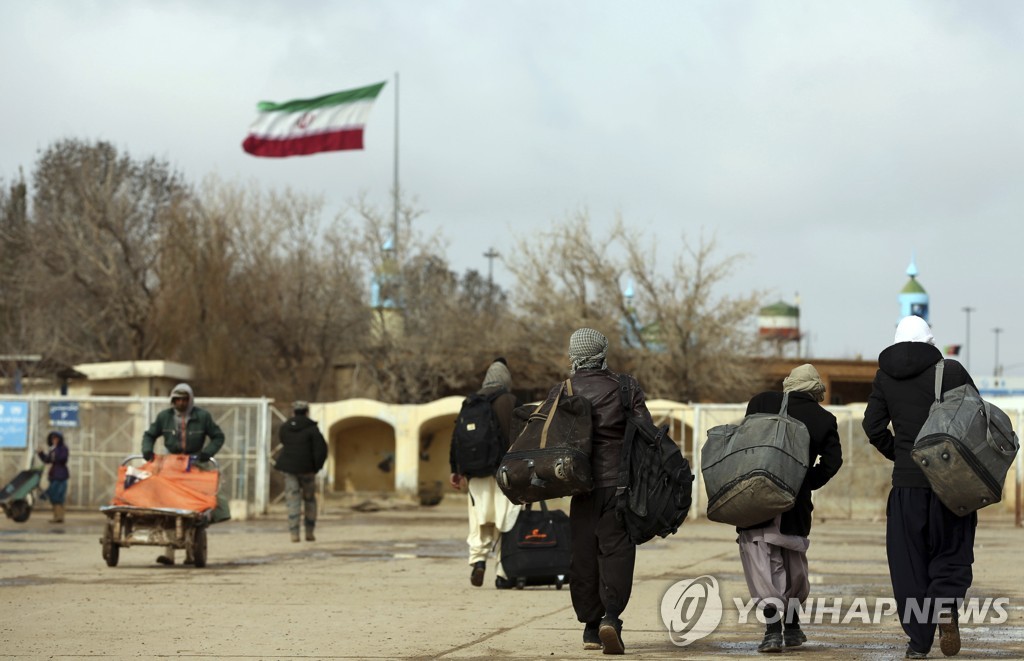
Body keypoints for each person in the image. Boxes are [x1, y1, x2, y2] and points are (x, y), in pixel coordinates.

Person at [863, 315, 976, 659]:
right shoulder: (951, 371)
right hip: (952, 483)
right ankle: (945, 605)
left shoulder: (884, 376)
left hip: (907, 484)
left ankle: (918, 642)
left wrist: (900, 454)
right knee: (951, 549)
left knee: (909, 562)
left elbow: (873, 426)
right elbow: (975, 415)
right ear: (930, 341)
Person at [537, 328, 650, 654]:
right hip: (620, 484)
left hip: (580, 486)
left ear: (574, 354)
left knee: (583, 554)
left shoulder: (562, 391)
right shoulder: (626, 387)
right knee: (616, 551)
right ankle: (610, 619)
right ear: (602, 352)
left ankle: (589, 626)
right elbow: (647, 431)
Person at [737, 364, 843, 653]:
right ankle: (793, 627)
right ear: (814, 392)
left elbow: (744, 443)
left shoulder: (761, 402)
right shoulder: (824, 418)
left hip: (755, 500)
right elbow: (833, 462)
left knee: (761, 561)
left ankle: (772, 631)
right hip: (795, 507)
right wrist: (804, 482)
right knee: (794, 561)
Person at [448, 358, 522, 589]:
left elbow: (456, 440)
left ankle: (478, 561)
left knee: (479, 520)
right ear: (506, 380)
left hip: (475, 475)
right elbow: (520, 438)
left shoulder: (470, 402)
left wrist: (455, 471)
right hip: (505, 475)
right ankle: (503, 573)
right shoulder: (510, 401)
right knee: (505, 522)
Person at [141, 382, 229, 565]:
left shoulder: (202, 417)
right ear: (173, 400)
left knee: (197, 507)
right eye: (177, 399)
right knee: (169, 506)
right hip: (171, 465)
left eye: (184, 399)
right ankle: (169, 553)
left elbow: (218, 436)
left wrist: (207, 453)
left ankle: (191, 551)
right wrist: (147, 450)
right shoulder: (164, 417)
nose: (180, 402)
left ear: (190, 400)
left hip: (194, 465)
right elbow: (149, 435)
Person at [275, 400, 328, 543]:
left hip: (289, 470)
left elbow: (284, 442)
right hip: (307, 470)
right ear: (307, 412)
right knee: (310, 500)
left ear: (293, 412)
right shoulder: (312, 429)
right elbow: (321, 449)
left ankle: (294, 534)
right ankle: (309, 532)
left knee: (293, 500)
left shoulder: (285, 428)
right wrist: (316, 467)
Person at [37, 431, 70, 523]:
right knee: (53, 496)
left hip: (61, 475)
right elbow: (47, 460)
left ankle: (60, 516)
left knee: (59, 496)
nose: (54, 440)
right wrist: (41, 454)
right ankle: (57, 516)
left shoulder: (63, 449)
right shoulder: (53, 450)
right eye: (53, 439)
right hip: (54, 475)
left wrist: (54, 454)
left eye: (56, 439)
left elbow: (63, 459)